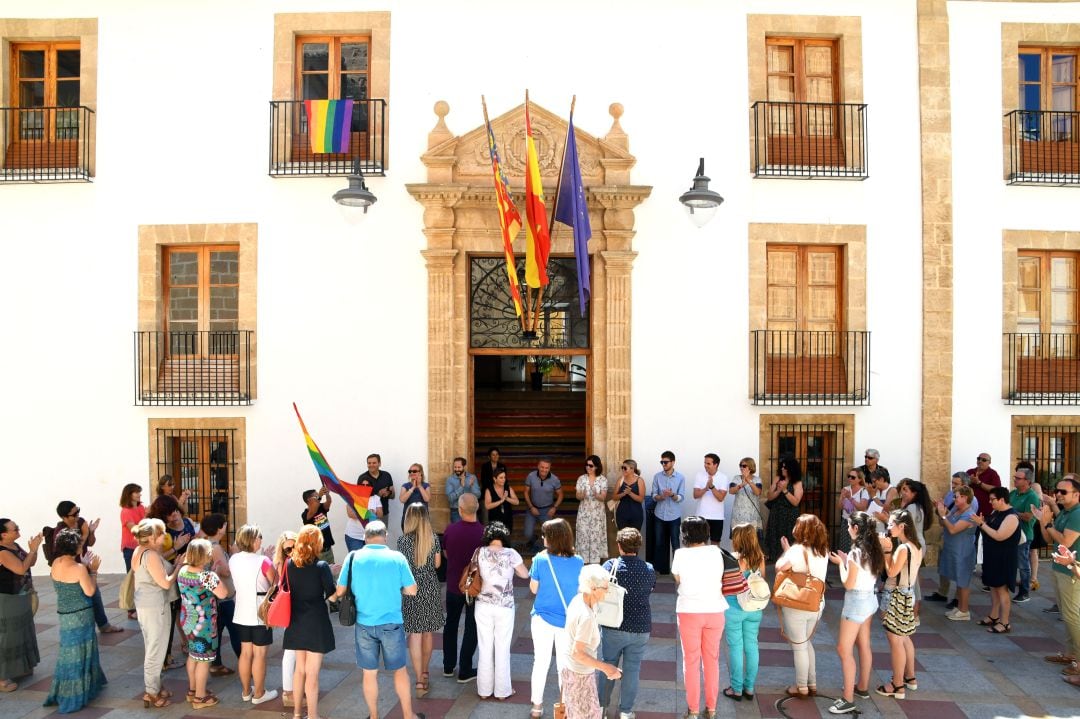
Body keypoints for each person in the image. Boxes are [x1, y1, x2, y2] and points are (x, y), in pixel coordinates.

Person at [333, 520, 425, 719]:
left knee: (369, 673)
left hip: (364, 624)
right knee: (400, 671)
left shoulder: (353, 557)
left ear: (365, 537)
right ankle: (409, 715)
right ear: (386, 536)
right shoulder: (397, 557)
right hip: (391, 623)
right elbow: (412, 590)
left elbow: (340, 591)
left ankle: (374, 716)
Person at [826, 512, 885, 714]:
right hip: (870, 598)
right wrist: (847, 561)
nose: (847, 528)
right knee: (864, 644)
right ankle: (861, 687)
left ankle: (848, 699)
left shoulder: (855, 553)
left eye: (849, 526)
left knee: (844, 649)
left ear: (856, 529)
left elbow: (848, 583)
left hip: (856, 602)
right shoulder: (873, 548)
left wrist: (841, 564)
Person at [43, 528, 107, 713]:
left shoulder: (56, 562)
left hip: (64, 614)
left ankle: (65, 688)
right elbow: (89, 591)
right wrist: (92, 571)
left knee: (68, 652)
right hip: (81, 615)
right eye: (80, 543)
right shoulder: (78, 569)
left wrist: (84, 567)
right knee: (82, 650)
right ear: (75, 547)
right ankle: (79, 691)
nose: (82, 545)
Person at [671, 516, 726, 719]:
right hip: (715, 610)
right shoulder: (717, 552)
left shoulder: (680, 555)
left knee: (691, 661)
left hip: (689, 611)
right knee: (712, 661)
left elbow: (678, 579)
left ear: (685, 534)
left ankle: (693, 711)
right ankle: (711, 709)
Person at [528, 518, 584, 719]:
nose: (542, 538)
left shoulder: (540, 560)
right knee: (564, 665)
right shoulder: (578, 561)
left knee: (540, 662)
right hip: (567, 621)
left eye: (544, 535)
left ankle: (537, 706)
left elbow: (533, 589)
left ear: (551, 538)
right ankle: (565, 706)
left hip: (542, 618)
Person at [598, 527, 655, 718]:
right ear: (638, 546)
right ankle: (626, 711)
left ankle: (601, 708)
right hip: (640, 627)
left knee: (608, 666)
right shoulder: (648, 569)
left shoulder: (610, 566)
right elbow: (650, 590)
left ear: (619, 545)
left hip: (613, 625)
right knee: (632, 670)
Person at [284, 525, 336, 719]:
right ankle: (313, 716)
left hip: (296, 620)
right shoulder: (321, 566)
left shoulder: (289, 564)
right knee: (312, 673)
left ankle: (297, 713)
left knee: (300, 670)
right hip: (316, 621)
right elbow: (331, 596)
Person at [474, 521, 529, 700]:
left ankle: (484, 690)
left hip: (482, 604)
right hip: (504, 606)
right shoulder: (511, 554)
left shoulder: (479, 552)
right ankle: (502, 691)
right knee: (502, 648)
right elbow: (525, 574)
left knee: (484, 647)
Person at [775, 514, 828, 699]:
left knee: (799, 646)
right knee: (806, 642)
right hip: (816, 604)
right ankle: (811, 683)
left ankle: (801, 687)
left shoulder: (797, 550)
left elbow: (779, 567)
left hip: (798, 604)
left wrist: (786, 551)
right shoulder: (823, 550)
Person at [51, 500, 123, 635]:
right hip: (72, 569)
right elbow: (72, 548)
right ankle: (82, 626)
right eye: (74, 514)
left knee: (95, 594)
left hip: (83, 565)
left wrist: (91, 532)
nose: (78, 515)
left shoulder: (80, 522)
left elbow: (90, 543)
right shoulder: (61, 531)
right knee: (86, 594)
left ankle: (103, 625)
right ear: (64, 517)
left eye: (78, 510)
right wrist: (84, 534)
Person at [1033, 475, 1080, 674]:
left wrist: (1049, 524)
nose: (1057, 495)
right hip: (1059, 568)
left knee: (1073, 616)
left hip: (1072, 572)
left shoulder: (1077, 514)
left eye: (1063, 492)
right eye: (1057, 491)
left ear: (1077, 494)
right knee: (1067, 614)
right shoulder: (1063, 513)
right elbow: (1048, 539)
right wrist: (1044, 522)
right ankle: (1071, 654)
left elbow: (1065, 542)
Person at [130, 518, 179, 708]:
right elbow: (165, 582)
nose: (164, 536)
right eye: (161, 533)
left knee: (154, 646)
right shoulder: (149, 554)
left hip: (146, 604)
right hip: (154, 606)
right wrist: (178, 568)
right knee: (155, 649)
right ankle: (151, 692)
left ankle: (156, 686)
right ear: (151, 537)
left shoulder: (139, 551)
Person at [563, 565, 623, 718]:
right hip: (580, 678)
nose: (608, 590)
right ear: (593, 588)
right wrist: (606, 668)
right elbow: (578, 653)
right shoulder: (586, 617)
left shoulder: (579, 600)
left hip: (574, 673)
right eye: (605, 587)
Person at [876, 510, 924, 700]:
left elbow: (891, 571)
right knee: (904, 638)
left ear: (902, 526)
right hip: (908, 594)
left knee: (895, 641)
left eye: (890, 524)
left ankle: (897, 685)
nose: (888, 528)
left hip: (896, 595)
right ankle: (910, 678)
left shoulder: (903, 548)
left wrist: (887, 550)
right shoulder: (915, 545)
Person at [397, 503, 444, 697]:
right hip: (430, 588)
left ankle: (418, 681)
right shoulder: (433, 538)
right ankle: (425, 673)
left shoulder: (402, 541)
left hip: (410, 590)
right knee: (428, 634)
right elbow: (437, 564)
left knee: (414, 635)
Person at [229, 524, 278, 704]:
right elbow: (276, 583)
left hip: (241, 610)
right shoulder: (263, 561)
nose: (261, 540)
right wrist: (271, 560)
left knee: (245, 652)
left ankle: (245, 691)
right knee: (259, 654)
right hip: (259, 611)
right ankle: (259, 693)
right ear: (252, 540)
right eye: (259, 537)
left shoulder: (233, 559)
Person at [178, 538, 228, 709]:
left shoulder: (183, 570)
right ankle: (200, 697)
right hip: (204, 623)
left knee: (193, 655)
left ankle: (192, 691)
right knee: (204, 659)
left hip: (188, 620)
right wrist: (216, 574)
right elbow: (223, 594)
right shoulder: (207, 576)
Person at [442, 493, 484, 682]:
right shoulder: (483, 533)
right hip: (475, 588)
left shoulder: (450, 530)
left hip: (453, 585)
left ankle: (448, 666)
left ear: (459, 509)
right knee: (471, 626)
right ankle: (465, 669)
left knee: (450, 624)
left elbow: (446, 553)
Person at [722, 523, 765, 703]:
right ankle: (749, 687)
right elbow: (760, 579)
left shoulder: (733, 559)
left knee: (736, 648)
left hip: (734, 608)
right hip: (754, 608)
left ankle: (736, 688)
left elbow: (723, 583)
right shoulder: (760, 558)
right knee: (752, 646)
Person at [147, 494, 191, 668]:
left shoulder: (186, 522)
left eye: (175, 511)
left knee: (181, 610)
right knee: (174, 613)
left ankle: (181, 645)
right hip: (172, 574)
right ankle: (165, 657)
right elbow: (155, 557)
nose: (174, 515)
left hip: (186, 572)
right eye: (169, 513)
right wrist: (176, 547)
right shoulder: (162, 533)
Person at [0, 518, 42, 693]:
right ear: (3, 534)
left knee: (23, 631)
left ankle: (20, 667)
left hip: (22, 595)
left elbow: (30, 562)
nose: (18, 530)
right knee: (9, 636)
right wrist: (32, 549)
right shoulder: (2, 552)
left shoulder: (15, 546)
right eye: (14, 529)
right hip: (8, 598)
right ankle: (2, 677)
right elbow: (19, 569)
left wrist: (34, 549)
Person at [971, 487, 1021, 634]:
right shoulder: (997, 512)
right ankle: (994, 616)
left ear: (1002, 499)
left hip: (1004, 558)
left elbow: (999, 535)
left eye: (992, 499)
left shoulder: (1011, 517)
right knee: (993, 587)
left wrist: (981, 524)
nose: (990, 502)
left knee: (1002, 589)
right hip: (992, 556)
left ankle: (1005, 622)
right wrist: (983, 522)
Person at [927, 472, 976, 604]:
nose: (953, 487)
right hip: (948, 539)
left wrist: (943, 515)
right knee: (944, 566)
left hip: (961, 543)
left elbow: (957, 525)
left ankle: (958, 600)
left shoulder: (972, 503)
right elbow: (949, 516)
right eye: (952, 483)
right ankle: (943, 592)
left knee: (961, 572)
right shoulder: (951, 495)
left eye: (956, 484)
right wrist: (939, 509)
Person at [200, 513, 238, 676]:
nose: (226, 527)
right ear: (219, 528)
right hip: (223, 598)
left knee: (218, 630)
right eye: (224, 525)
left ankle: (216, 664)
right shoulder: (215, 547)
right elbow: (226, 571)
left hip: (215, 598)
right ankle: (246, 663)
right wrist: (235, 554)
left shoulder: (208, 544)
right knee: (236, 630)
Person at [936, 486, 978, 620]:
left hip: (963, 552)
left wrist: (943, 514)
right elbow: (943, 523)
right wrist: (940, 512)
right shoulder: (956, 510)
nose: (954, 499)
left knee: (963, 581)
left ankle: (964, 611)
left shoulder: (969, 515)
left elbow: (953, 529)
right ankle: (960, 607)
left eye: (957, 496)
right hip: (953, 550)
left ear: (965, 498)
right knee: (958, 580)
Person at [271, 531, 300, 709]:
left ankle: (291, 690)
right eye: (287, 548)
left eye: (293, 546)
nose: (291, 550)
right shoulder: (287, 563)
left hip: (293, 609)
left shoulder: (288, 562)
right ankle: (288, 692)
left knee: (294, 652)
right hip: (292, 610)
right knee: (290, 652)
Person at [897, 479, 933, 619]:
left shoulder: (912, 508)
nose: (902, 492)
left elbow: (905, 527)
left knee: (912, 581)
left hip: (913, 545)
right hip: (915, 544)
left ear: (914, 493)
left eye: (906, 490)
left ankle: (914, 613)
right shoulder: (916, 507)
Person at [1008, 467, 1041, 603]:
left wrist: (1012, 511)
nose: (1014, 479)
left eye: (1018, 478)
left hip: (1024, 535)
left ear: (1027, 481)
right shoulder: (1013, 493)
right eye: (1014, 477)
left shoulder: (1032, 496)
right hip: (1010, 533)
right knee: (1010, 562)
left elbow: (1028, 517)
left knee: (1022, 564)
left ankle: (1024, 591)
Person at [652, 450, 685, 575]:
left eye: (666, 462)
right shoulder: (657, 476)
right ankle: (661, 570)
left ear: (673, 462)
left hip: (674, 515)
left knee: (675, 543)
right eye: (662, 462)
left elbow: (681, 497)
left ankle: (676, 572)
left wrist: (672, 495)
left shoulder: (681, 477)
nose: (663, 464)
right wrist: (660, 497)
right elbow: (653, 494)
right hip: (659, 514)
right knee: (659, 543)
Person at [764, 458, 804, 562]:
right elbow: (769, 496)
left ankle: (789, 560)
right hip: (776, 513)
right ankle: (775, 559)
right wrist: (778, 490)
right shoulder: (777, 478)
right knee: (775, 536)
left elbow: (796, 502)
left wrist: (785, 490)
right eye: (781, 466)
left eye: (785, 467)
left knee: (789, 537)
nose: (782, 468)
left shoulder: (797, 482)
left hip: (789, 514)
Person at [524, 458, 563, 551]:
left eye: (547, 468)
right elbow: (525, 492)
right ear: (538, 466)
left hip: (547, 510)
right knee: (527, 533)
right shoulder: (531, 476)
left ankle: (543, 552)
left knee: (547, 535)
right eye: (542, 467)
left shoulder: (555, 479)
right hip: (532, 509)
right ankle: (533, 538)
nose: (544, 470)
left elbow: (561, 494)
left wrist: (554, 507)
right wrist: (531, 507)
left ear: (550, 468)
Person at [576, 455, 609, 564]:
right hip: (584, 512)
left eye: (591, 465)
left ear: (597, 467)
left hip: (597, 514)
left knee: (596, 536)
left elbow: (603, 497)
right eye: (587, 465)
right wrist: (582, 495)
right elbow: (577, 496)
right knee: (583, 535)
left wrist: (596, 494)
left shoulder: (602, 479)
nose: (588, 467)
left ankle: (595, 564)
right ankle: (583, 562)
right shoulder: (581, 478)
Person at [693, 453, 728, 542]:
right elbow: (695, 495)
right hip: (701, 516)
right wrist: (705, 488)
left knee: (715, 545)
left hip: (717, 517)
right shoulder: (699, 475)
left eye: (708, 463)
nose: (705, 465)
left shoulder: (723, 477)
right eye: (705, 463)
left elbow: (720, 498)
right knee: (700, 544)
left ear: (715, 465)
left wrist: (712, 487)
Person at [728, 458, 764, 540]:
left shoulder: (757, 479)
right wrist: (741, 485)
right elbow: (731, 491)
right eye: (740, 465)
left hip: (752, 515)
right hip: (738, 515)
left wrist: (749, 481)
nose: (741, 468)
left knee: (751, 542)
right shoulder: (736, 478)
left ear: (750, 467)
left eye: (744, 466)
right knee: (737, 541)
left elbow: (758, 492)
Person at [837, 468, 870, 552]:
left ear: (859, 479)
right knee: (845, 548)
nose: (850, 479)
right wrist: (842, 497)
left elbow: (862, 507)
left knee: (856, 547)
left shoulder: (864, 491)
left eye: (853, 477)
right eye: (849, 476)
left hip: (858, 523)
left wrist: (850, 498)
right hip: (846, 521)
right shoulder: (846, 489)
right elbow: (839, 507)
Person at [357, 453, 395, 521]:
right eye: (369, 463)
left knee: (382, 532)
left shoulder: (386, 475)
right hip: (368, 515)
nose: (371, 465)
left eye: (374, 463)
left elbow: (393, 495)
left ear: (379, 463)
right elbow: (360, 499)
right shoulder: (362, 478)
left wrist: (388, 494)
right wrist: (379, 494)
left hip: (384, 513)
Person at [301, 487, 335, 563]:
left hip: (328, 548)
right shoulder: (305, 514)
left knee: (334, 572)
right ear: (309, 500)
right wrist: (319, 496)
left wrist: (327, 494)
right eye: (315, 496)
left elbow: (328, 502)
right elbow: (312, 512)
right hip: (318, 552)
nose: (318, 498)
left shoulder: (321, 507)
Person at [119, 483, 147, 573]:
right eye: (136, 492)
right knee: (132, 576)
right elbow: (134, 529)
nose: (140, 494)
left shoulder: (141, 507)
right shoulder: (125, 511)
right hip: (131, 548)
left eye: (139, 492)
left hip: (142, 545)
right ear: (129, 494)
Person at [445, 457, 481, 525]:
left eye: (459, 467)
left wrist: (472, 486)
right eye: (455, 467)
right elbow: (450, 498)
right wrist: (461, 487)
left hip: (471, 510)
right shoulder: (450, 480)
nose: (456, 469)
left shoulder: (472, 477)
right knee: (458, 533)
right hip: (456, 511)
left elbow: (478, 496)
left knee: (474, 532)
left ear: (464, 466)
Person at [612, 459, 646, 531]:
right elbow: (614, 497)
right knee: (622, 538)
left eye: (625, 468)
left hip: (636, 515)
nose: (623, 470)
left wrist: (630, 493)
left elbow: (641, 499)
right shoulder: (620, 480)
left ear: (632, 469)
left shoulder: (639, 480)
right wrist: (623, 493)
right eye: (622, 467)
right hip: (621, 514)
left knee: (634, 539)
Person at [967, 453, 1001, 520]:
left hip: (985, 513)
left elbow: (996, 490)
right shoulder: (970, 471)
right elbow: (962, 487)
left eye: (984, 460)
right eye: (978, 458)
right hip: (969, 511)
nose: (980, 461)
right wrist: (969, 482)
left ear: (989, 462)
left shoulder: (993, 474)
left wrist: (979, 483)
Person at [485, 468, 520, 532]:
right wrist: (501, 501)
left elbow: (517, 502)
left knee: (506, 540)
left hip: (507, 520)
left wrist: (506, 498)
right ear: (495, 479)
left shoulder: (508, 488)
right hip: (495, 521)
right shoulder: (489, 490)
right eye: (501, 478)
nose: (503, 479)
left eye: (504, 477)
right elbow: (487, 506)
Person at [400, 464, 432, 528]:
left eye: (414, 471)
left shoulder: (426, 485)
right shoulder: (405, 486)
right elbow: (402, 500)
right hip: (408, 519)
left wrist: (419, 486)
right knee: (408, 538)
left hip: (422, 519)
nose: (412, 473)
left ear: (420, 473)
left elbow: (427, 499)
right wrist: (413, 488)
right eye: (410, 471)